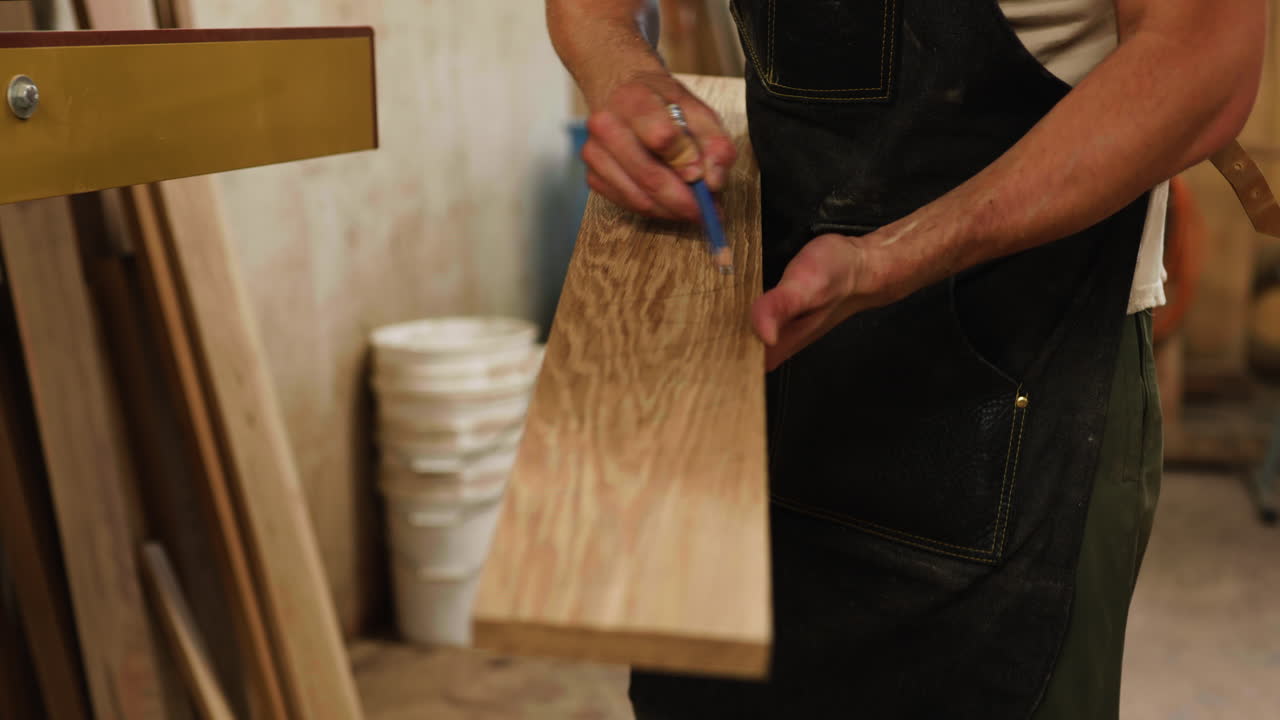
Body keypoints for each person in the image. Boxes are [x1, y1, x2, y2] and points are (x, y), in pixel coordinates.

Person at [548, 0, 1266, 717]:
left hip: (1024, 385)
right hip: (764, 344)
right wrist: (622, 73)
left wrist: (886, 261)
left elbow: (1206, 66)